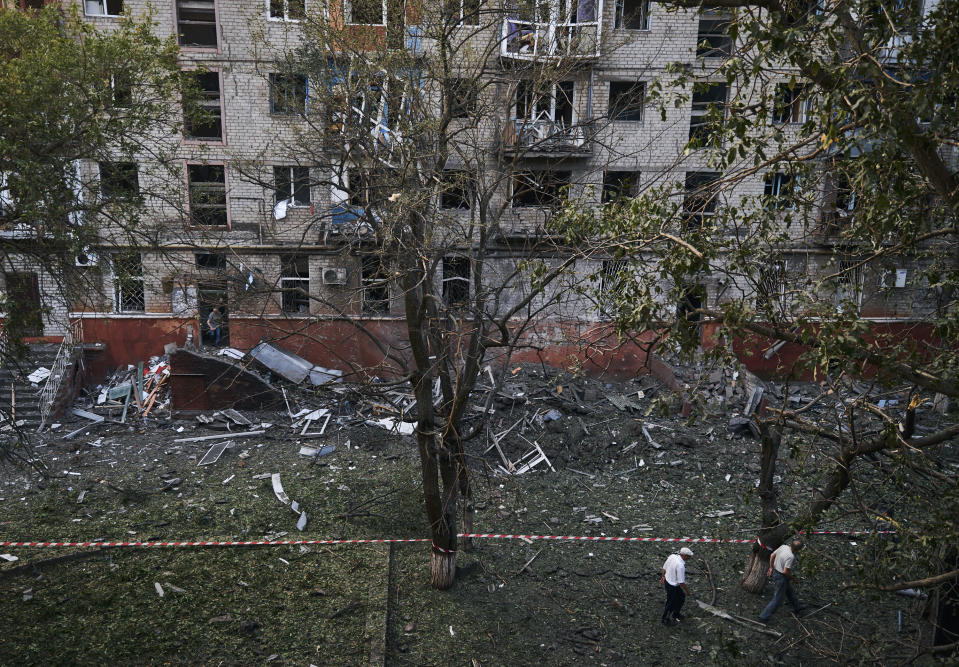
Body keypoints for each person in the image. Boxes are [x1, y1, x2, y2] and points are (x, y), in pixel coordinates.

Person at [759, 539, 805, 623]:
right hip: (781, 576)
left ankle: (797, 607)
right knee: (778, 599)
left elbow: (772, 555)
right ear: (798, 549)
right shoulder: (791, 557)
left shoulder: (783, 547)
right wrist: (793, 578)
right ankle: (763, 617)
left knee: (790, 591)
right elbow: (785, 571)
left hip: (776, 572)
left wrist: (771, 567)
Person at [661, 546, 693, 626]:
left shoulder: (672, 556)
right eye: (689, 557)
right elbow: (681, 582)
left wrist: (663, 577)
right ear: (684, 556)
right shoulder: (680, 566)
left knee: (681, 597)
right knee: (670, 602)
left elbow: (664, 567)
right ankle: (665, 619)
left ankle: (676, 613)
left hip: (667, 581)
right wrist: (688, 591)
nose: (689, 559)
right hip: (673, 586)